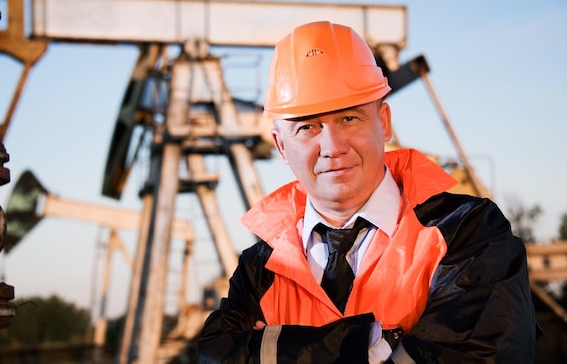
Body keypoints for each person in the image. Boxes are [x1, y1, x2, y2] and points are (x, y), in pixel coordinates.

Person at [197, 21, 538, 363]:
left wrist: (272, 349)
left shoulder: (468, 232)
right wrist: (377, 347)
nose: (332, 147)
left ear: (384, 121)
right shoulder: (260, 267)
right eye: (306, 127)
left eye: (349, 119)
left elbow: (481, 355)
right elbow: (215, 355)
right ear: (281, 147)